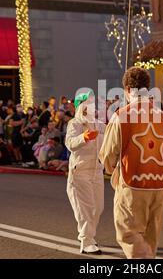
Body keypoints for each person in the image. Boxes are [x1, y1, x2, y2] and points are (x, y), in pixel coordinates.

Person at [99, 67, 163, 259]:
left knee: (129, 232)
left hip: (133, 182)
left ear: (126, 89)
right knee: (151, 237)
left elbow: (108, 153)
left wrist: (111, 169)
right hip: (161, 183)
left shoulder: (121, 115)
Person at [65, 92, 105, 255]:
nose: (90, 107)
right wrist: (84, 137)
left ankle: (88, 235)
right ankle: (86, 241)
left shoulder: (99, 124)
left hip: (97, 172)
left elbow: (111, 138)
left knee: (98, 207)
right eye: (87, 104)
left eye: (92, 104)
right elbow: (70, 144)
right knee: (86, 208)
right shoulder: (74, 124)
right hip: (80, 171)